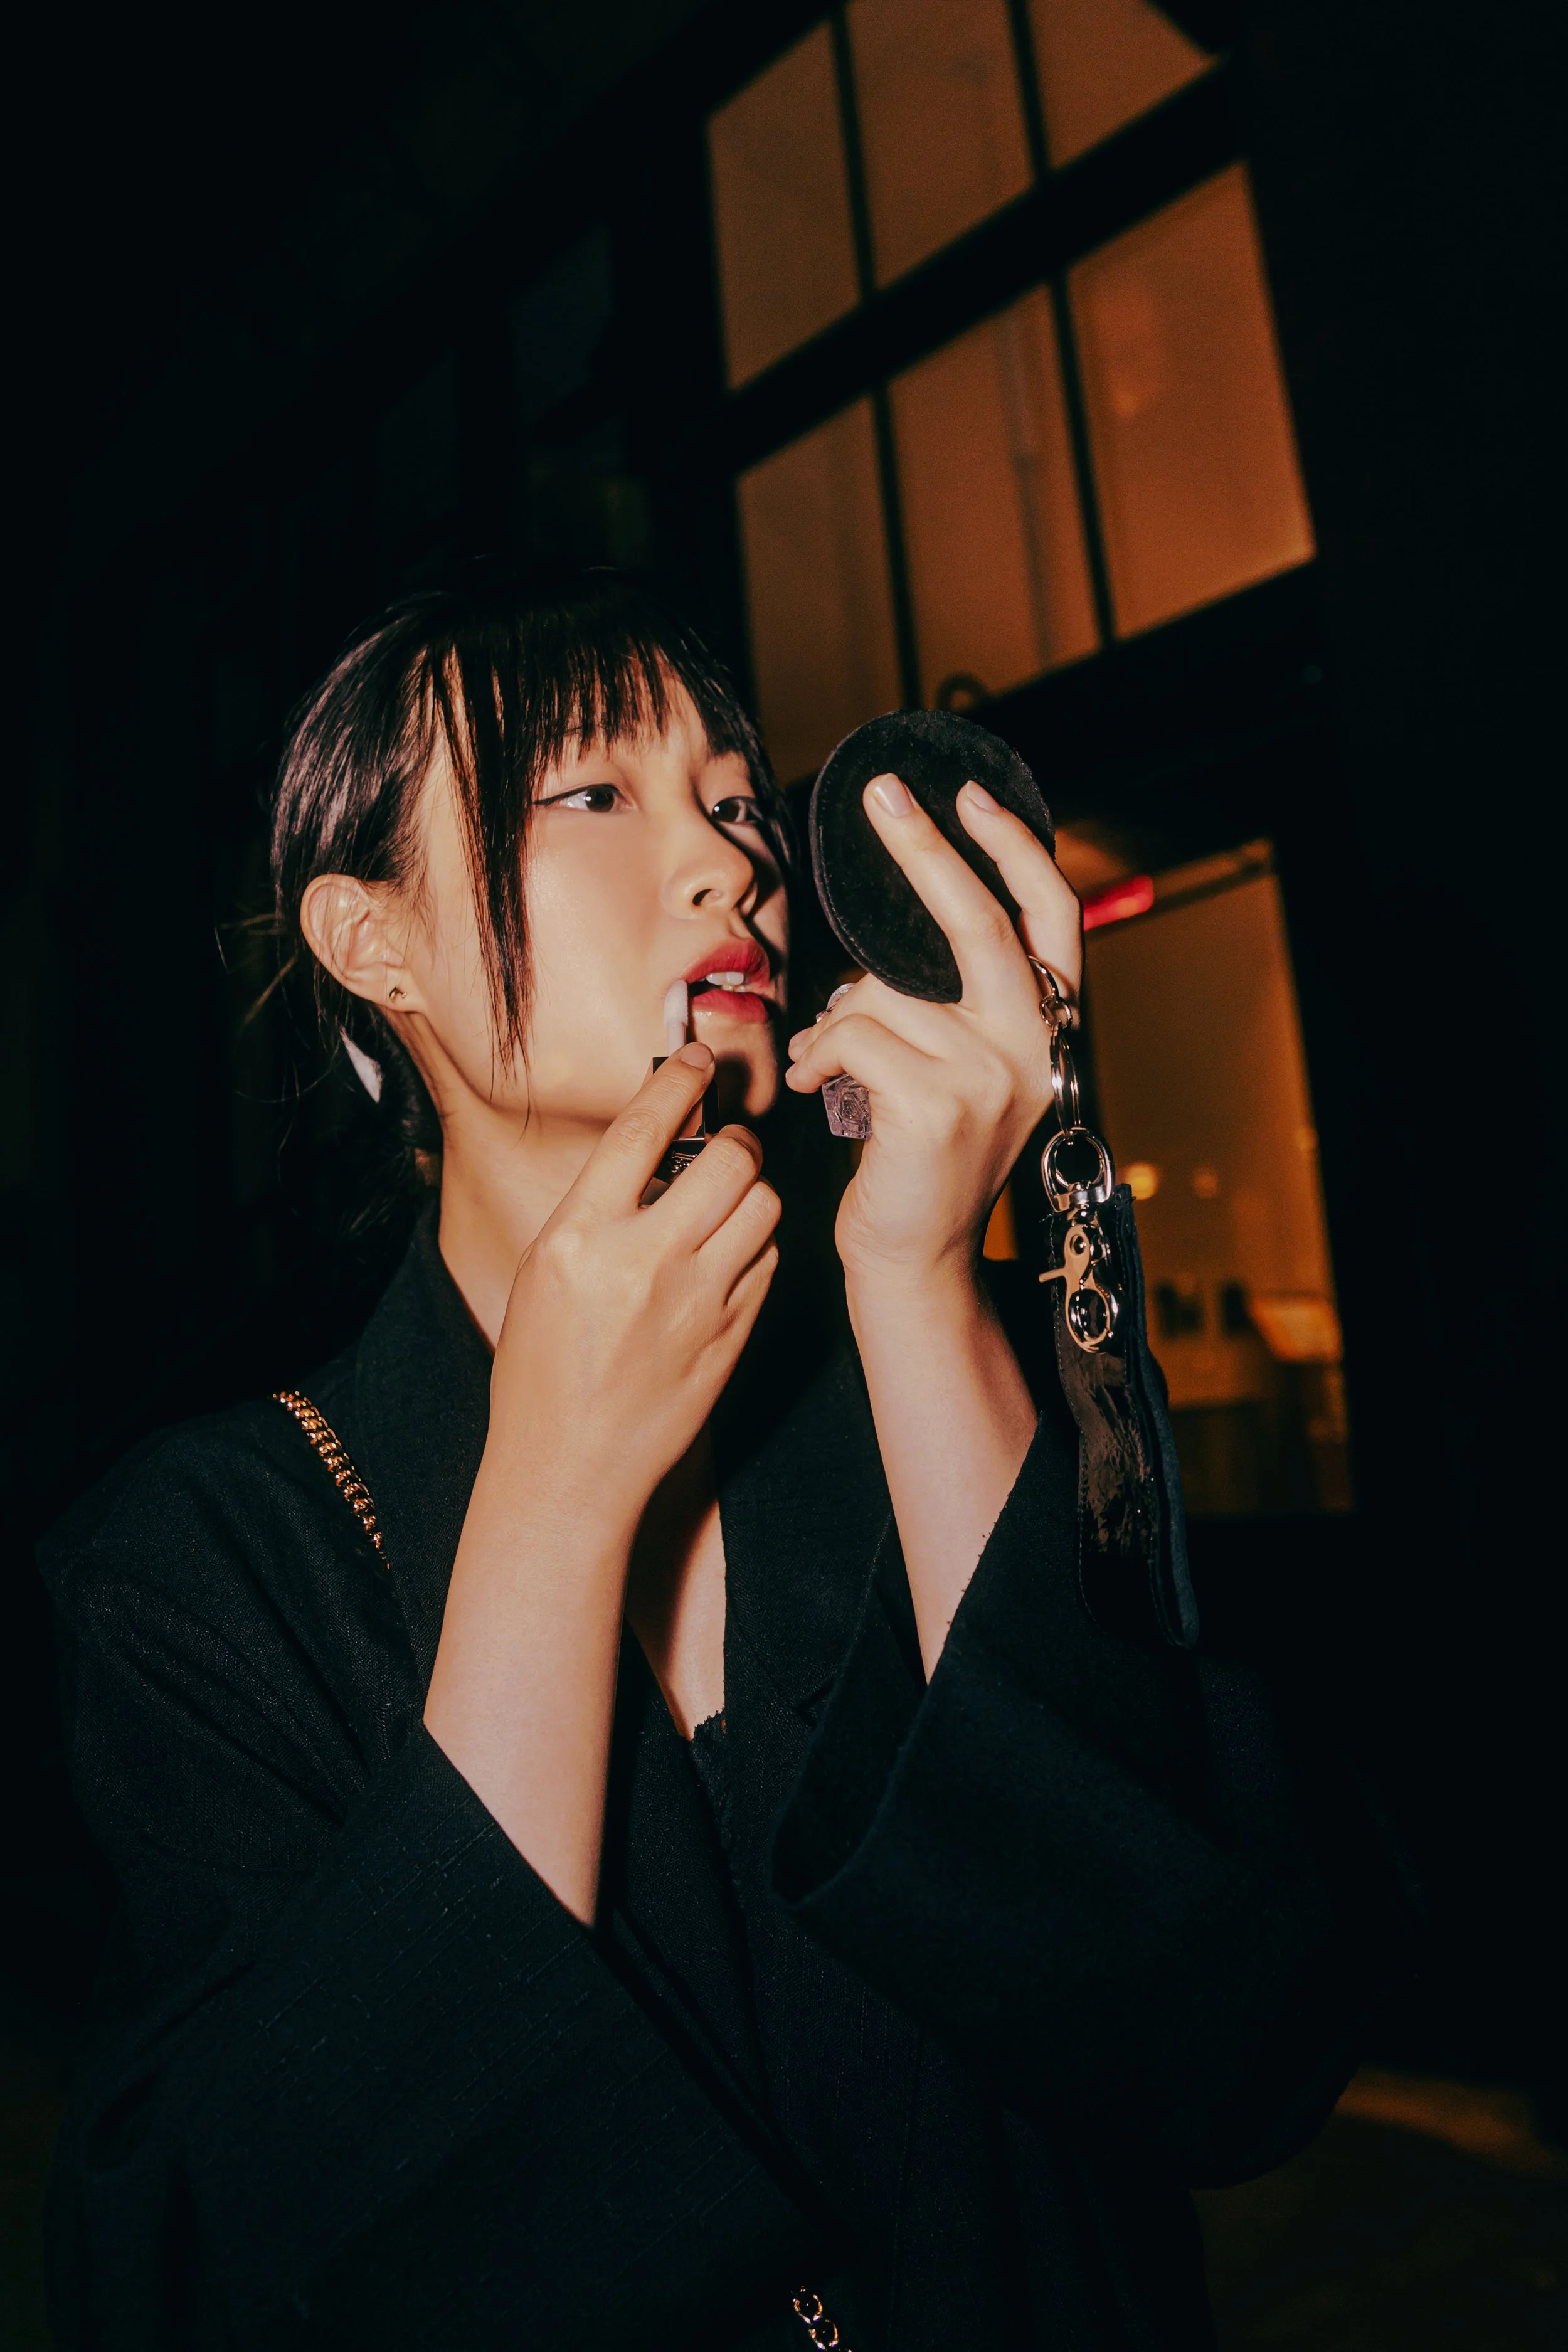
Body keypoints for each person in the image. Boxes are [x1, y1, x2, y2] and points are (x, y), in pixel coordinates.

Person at [41, 571, 1390, 2349]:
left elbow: (1231, 2046)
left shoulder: (938, 1364)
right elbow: (255, 2264)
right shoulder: (213, 1549)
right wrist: (550, 1505)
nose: (726, 864)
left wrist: (922, 1284)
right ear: (373, 941)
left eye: (738, 801)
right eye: (595, 792)